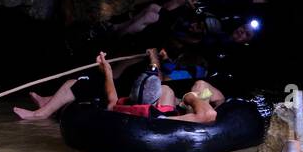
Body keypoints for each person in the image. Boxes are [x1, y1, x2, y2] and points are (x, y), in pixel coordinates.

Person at [14, 49, 225, 123]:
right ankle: (46, 106)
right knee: (197, 87)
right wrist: (191, 98)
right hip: (184, 104)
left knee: (196, 86)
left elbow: (112, 98)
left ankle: (44, 108)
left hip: (182, 102)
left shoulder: (130, 107)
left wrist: (106, 71)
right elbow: (207, 115)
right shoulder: (165, 116)